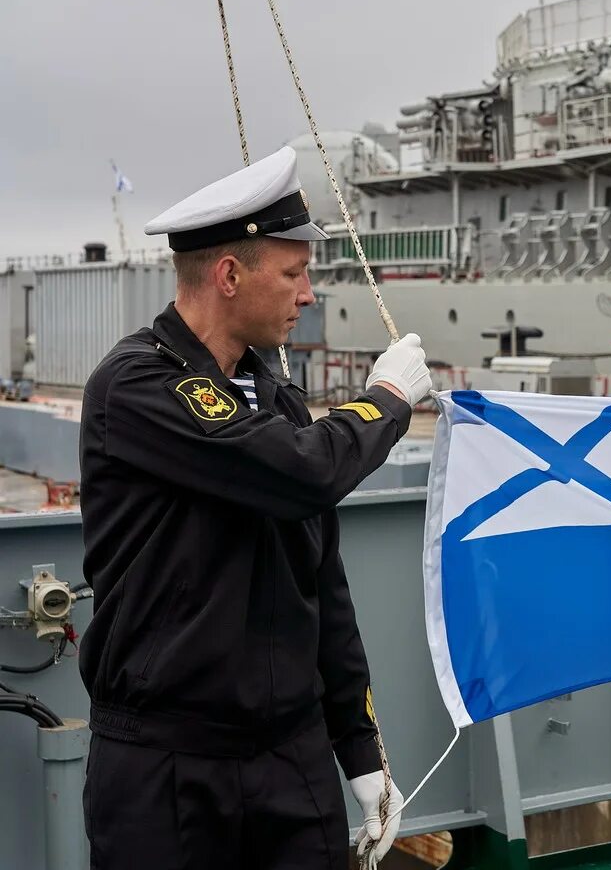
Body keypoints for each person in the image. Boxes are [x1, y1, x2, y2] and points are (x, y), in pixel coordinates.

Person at [78, 146, 436, 870]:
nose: (307, 295)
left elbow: (322, 586)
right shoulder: (140, 383)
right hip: (167, 766)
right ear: (230, 274)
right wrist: (388, 400)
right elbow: (301, 473)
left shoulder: (274, 397)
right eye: (295, 273)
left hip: (289, 762)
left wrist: (358, 749)